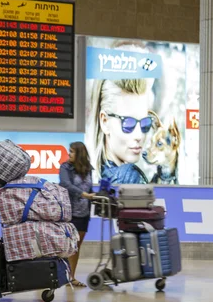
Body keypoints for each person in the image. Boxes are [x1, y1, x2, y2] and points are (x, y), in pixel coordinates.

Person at [87, 78, 151, 184]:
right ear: (105, 121)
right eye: (128, 123)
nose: (139, 135)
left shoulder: (94, 178)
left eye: (145, 123)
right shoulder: (130, 177)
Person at [59, 141, 95, 287]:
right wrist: (83, 194)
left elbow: (90, 187)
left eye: (72, 152)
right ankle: (53, 275)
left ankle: (71, 277)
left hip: (84, 213)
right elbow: (65, 184)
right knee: (66, 245)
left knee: (76, 246)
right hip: (69, 212)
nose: (69, 154)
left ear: (80, 153)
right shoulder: (65, 167)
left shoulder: (88, 169)